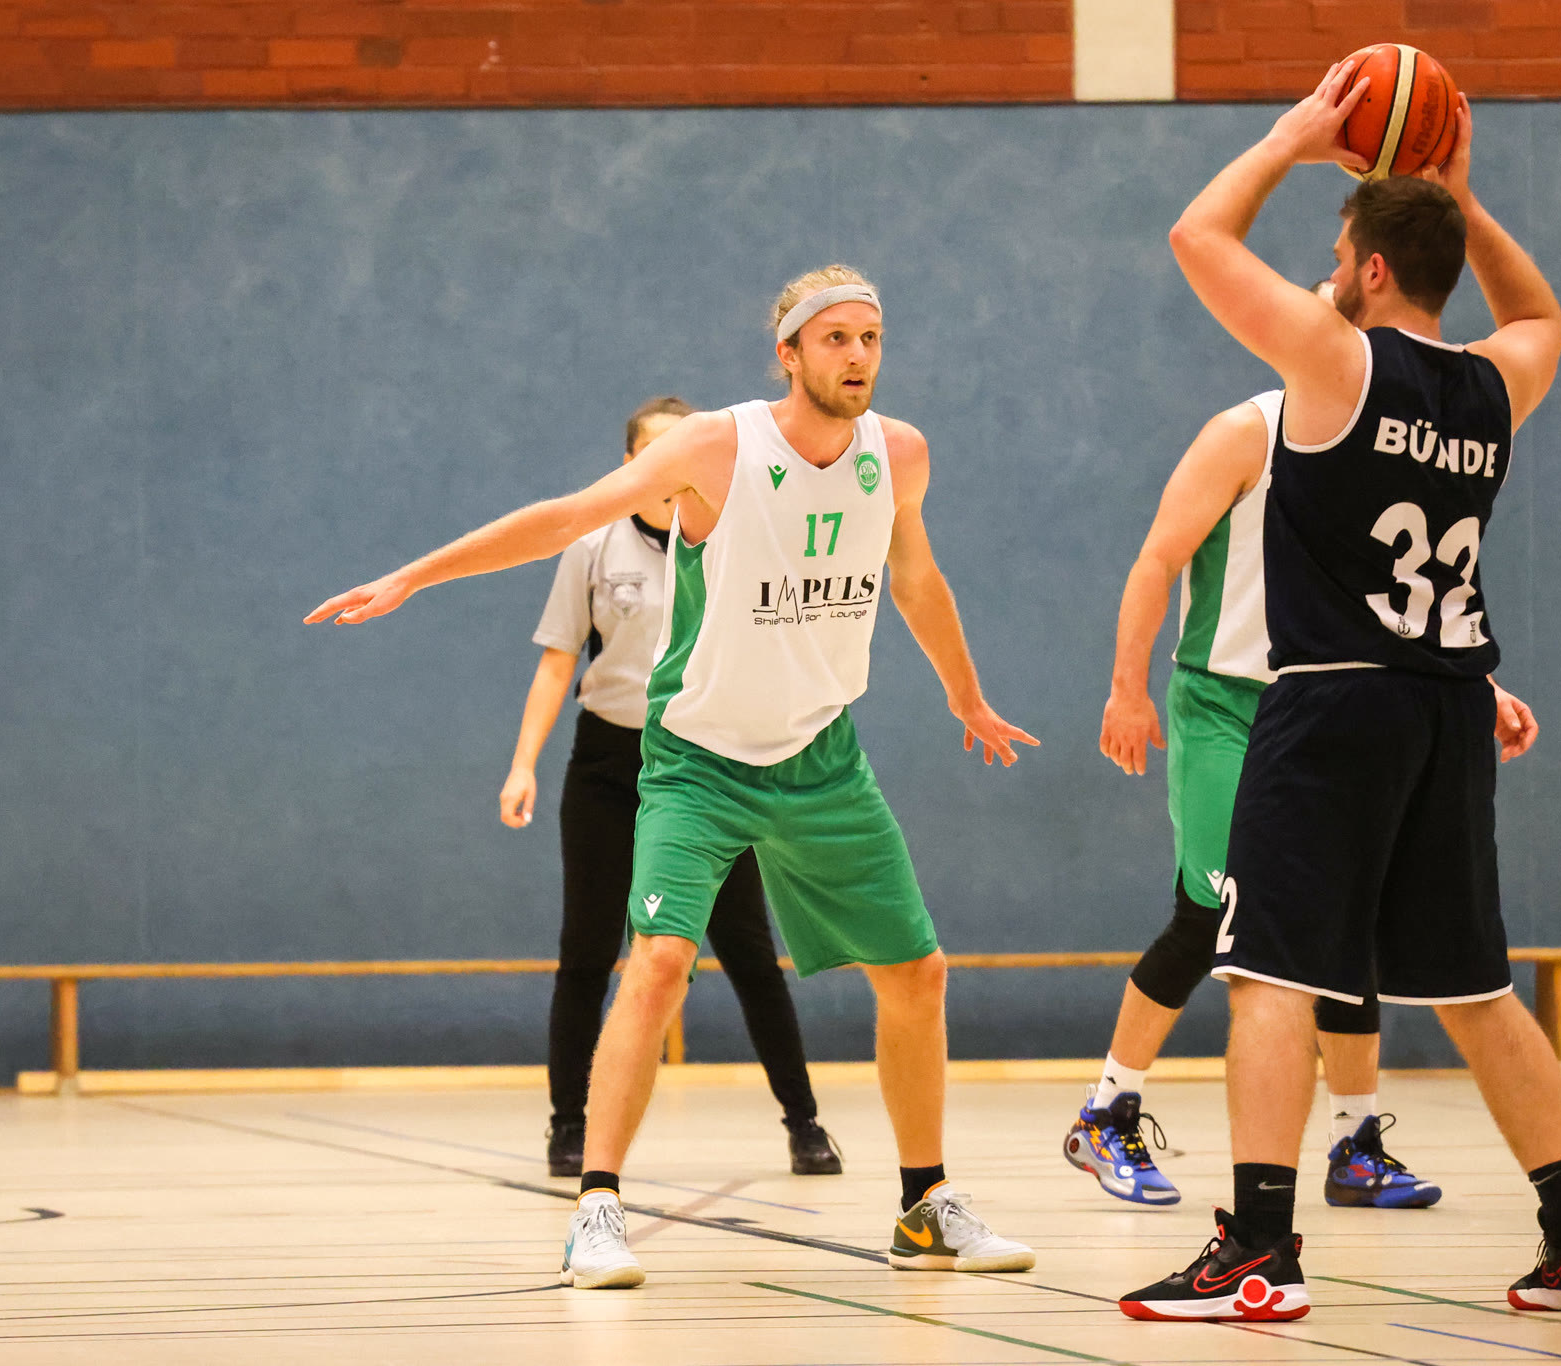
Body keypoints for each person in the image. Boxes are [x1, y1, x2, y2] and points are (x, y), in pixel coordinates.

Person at [308, 265, 1039, 1291]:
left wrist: (966, 696)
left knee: (917, 973)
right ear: (788, 353)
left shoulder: (900, 453)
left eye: (870, 338)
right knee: (654, 963)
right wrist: (411, 575)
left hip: (821, 754)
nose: (857, 356)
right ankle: (597, 1209)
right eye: (834, 338)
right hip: (700, 758)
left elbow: (914, 576)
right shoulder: (715, 448)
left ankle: (924, 1205)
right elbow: (566, 516)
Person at [1119, 66, 1561, 1321]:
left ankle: (1257, 1247)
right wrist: (1458, 200)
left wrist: (1293, 138)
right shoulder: (1493, 383)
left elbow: (1195, 235)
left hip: (1331, 704)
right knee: (1474, 990)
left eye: (1336, 255)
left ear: (1363, 270)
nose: (1326, 273)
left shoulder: (1332, 363)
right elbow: (1540, 311)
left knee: (1267, 974)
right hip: (1447, 707)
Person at [1075, 358, 1540, 1211]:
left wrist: (1479, 685)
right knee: (1214, 911)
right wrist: (1125, 688)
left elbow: (1402, 598)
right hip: (1225, 701)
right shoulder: (1244, 431)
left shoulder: (1379, 446)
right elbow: (1157, 558)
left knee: (1348, 923)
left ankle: (1354, 1144)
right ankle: (1107, 1111)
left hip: (1334, 702)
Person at [500, 394, 842, 1180]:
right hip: (609, 764)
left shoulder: (735, 535)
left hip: (703, 765)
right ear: (631, 465)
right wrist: (523, 763)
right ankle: (568, 1124)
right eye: (657, 453)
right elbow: (557, 660)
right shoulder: (592, 546)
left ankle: (805, 1123)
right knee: (588, 951)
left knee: (749, 951)